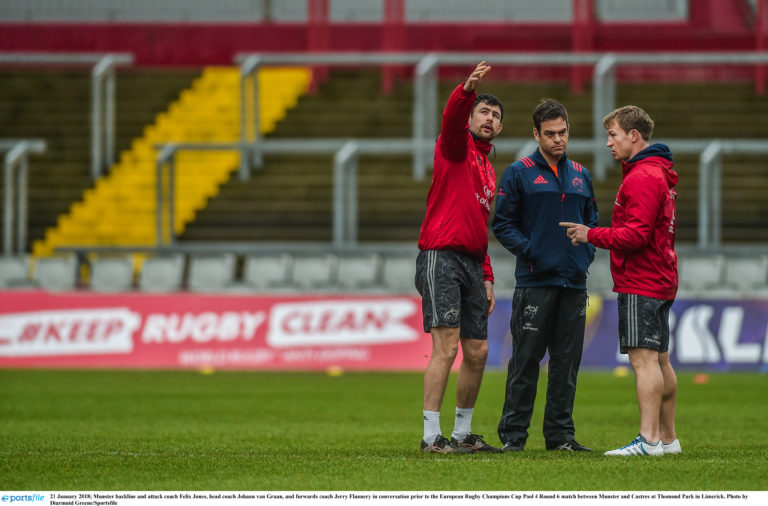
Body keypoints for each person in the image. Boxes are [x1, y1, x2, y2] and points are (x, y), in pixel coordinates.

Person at [560, 105, 680, 456]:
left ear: (634, 136)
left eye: (613, 135)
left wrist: (590, 234)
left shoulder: (643, 176)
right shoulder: (660, 173)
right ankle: (668, 439)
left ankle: (649, 440)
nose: (609, 143)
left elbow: (637, 235)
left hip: (641, 278)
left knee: (644, 360)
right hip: (660, 276)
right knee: (660, 360)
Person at [493, 99, 598, 452]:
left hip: (573, 283)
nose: (558, 139)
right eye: (550, 134)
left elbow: (592, 223)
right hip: (535, 283)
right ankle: (513, 437)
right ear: (536, 134)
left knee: (566, 365)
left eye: (563, 132)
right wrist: (533, 251)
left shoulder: (582, 174)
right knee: (525, 361)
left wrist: (584, 255)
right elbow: (502, 224)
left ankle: (560, 437)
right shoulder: (518, 173)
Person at [415, 61, 503, 454]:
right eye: (483, 111)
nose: (490, 118)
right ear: (469, 117)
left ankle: (463, 433)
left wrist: (487, 275)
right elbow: (451, 118)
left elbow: (480, 226)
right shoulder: (454, 146)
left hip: (471, 262)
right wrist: (466, 90)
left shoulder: (487, 169)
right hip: (441, 256)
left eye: (496, 116)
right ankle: (431, 436)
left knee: (478, 351)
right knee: (446, 347)